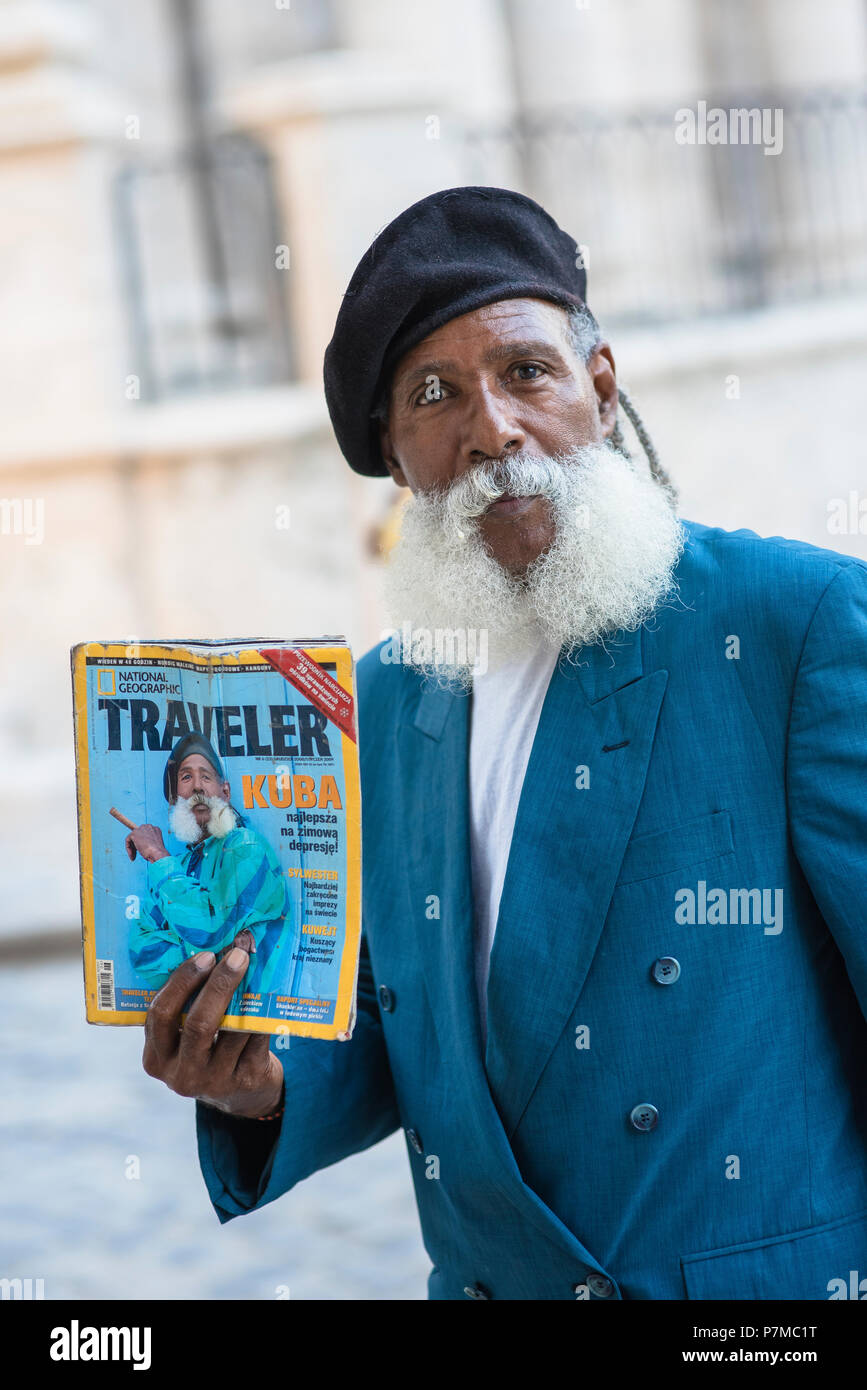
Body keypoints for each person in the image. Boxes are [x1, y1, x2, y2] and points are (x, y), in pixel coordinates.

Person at [141, 187, 867, 1300]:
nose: (492, 428)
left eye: (526, 370)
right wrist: (261, 1083)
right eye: (434, 395)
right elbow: (386, 1017)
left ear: (602, 388)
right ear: (395, 455)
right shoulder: (375, 704)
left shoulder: (792, 624)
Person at [127, 732, 289, 995]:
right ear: (174, 798)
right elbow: (142, 954)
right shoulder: (175, 868)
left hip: (249, 1022)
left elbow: (206, 930)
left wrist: (158, 855)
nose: (198, 787)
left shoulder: (245, 847)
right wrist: (220, 950)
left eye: (206, 776)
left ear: (225, 792)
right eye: (186, 777)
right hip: (190, 1021)